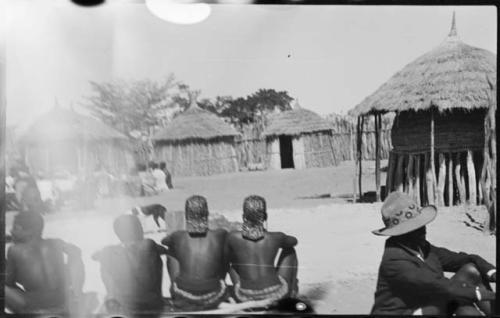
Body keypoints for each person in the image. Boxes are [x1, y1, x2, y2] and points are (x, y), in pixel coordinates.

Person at [371, 192, 496, 316]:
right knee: (463, 306)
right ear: (401, 234)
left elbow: (460, 259)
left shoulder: (422, 247)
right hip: (409, 311)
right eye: (415, 228)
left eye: (422, 225)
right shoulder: (395, 261)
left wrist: (492, 272)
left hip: (431, 302)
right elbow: (439, 285)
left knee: (470, 271)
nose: (423, 229)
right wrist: (486, 294)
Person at [5, 211, 85, 314]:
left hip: (33, 305)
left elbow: (8, 281)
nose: (11, 231)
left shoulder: (14, 250)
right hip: (62, 300)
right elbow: (76, 251)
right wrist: (67, 271)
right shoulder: (56, 243)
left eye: (16, 228)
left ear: (30, 232)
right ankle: (76, 295)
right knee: (74, 257)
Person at [225, 195, 298, 303]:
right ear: (265, 217)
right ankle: (292, 290)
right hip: (276, 294)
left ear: (243, 217)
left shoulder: (232, 237)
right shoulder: (276, 237)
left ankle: (240, 287)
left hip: (244, 296)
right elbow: (294, 241)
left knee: (231, 259)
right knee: (290, 250)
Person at [161, 195, 229, 311]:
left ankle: (174, 285)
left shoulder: (178, 236)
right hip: (214, 293)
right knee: (225, 249)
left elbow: (164, 241)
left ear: (187, 215)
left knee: (171, 251)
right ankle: (217, 280)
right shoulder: (220, 234)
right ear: (207, 213)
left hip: (183, 294)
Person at [92, 214, 168, 314]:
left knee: (106, 259)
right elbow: (165, 250)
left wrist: (117, 250)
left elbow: (93, 256)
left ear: (118, 234)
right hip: (153, 304)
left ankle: (111, 295)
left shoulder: (109, 251)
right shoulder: (149, 244)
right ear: (138, 229)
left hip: (125, 306)